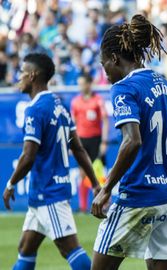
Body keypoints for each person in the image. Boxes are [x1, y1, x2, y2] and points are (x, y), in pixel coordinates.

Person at [90, 14, 167, 270]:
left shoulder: (124, 88)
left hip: (138, 196)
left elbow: (132, 141)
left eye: (105, 67)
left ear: (114, 59)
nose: (107, 75)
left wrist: (105, 189)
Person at [2, 53, 100, 270]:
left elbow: (28, 156)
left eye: (22, 73)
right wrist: (94, 183)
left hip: (50, 193)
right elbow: (79, 149)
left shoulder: (35, 110)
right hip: (42, 193)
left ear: (33, 75)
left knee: (70, 249)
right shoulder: (60, 106)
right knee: (25, 249)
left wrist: (10, 184)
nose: (18, 77)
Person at [71, 72, 109, 213]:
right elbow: (73, 124)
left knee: (98, 172)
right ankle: (83, 206)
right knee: (82, 173)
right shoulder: (75, 102)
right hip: (81, 141)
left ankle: (104, 204)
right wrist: (72, 143)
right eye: (79, 84)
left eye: (82, 83)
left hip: (96, 140)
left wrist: (104, 141)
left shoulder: (98, 100)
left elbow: (105, 120)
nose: (80, 86)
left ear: (89, 84)